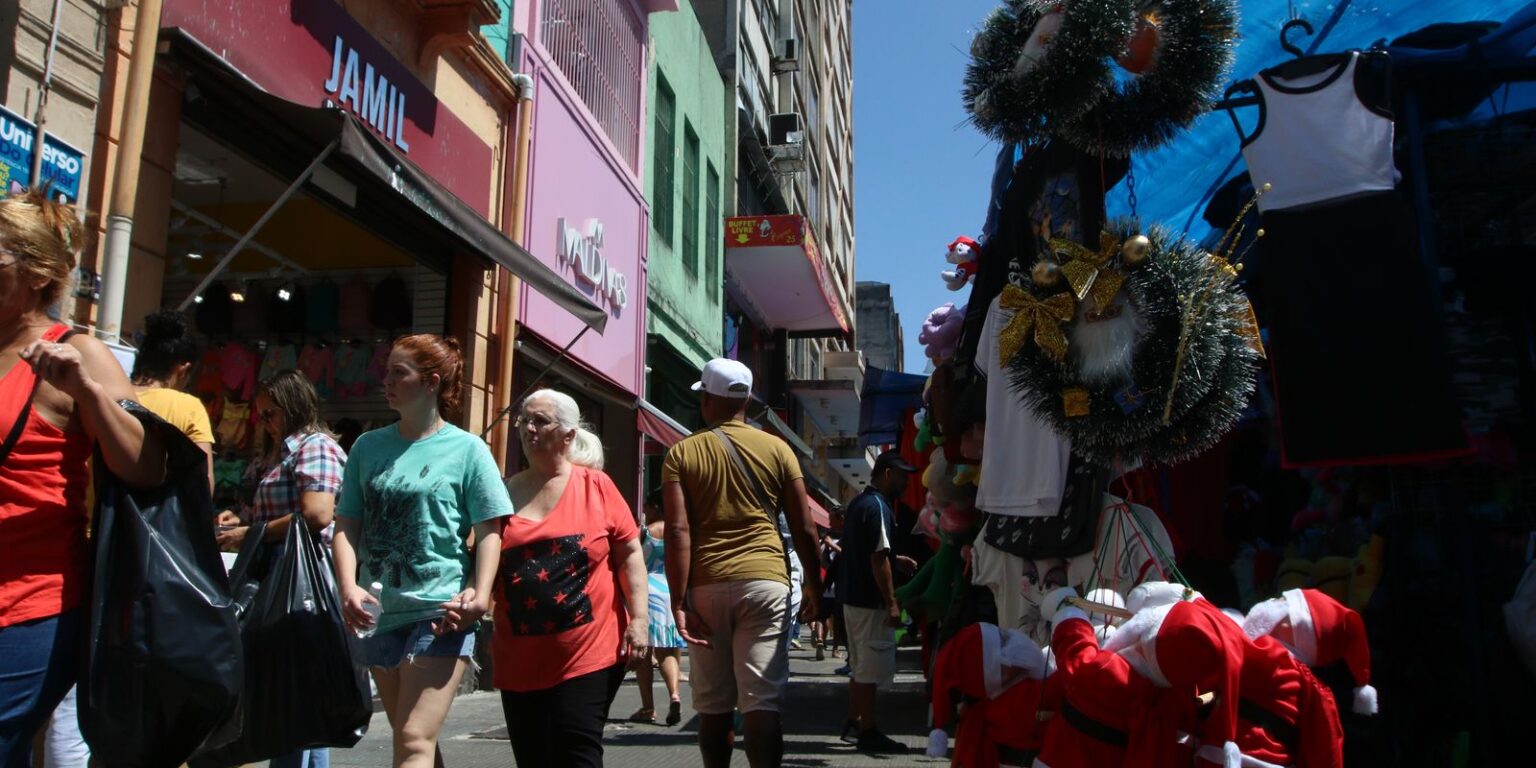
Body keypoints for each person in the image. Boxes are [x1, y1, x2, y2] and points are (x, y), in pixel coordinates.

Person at [0, 191, 167, 768]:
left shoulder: (77, 352)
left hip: (30, 608)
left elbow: (150, 466)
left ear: (36, 273)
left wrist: (89, 395)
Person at [332, 335, 512, 768]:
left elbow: (490, 530)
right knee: (414, 741)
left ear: (431, 382)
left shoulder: (468, 450)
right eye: (387, 370)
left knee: (413, 738)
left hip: (440, 611)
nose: (386, 380)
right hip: (376, 613)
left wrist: (481, 593)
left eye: (399, 372)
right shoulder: (367, 447)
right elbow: (346, 524)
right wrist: (347, 588)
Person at [661, 358, 823, 768]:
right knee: (761, 703)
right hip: (766, 583)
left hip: (706, 586)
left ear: (709, 400)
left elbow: (678, 532)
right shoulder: (779, 449)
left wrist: (678, 602)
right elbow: (804, 527)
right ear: (747, 400)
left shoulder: (681, 453)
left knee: (714, 707)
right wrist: (814, 587)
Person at [493, 388, 649, 766]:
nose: (528, 428)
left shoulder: (596, 486)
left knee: (576, 753)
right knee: (533, 760)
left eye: (540, 420)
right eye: (523, 420)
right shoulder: (501, 492)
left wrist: (640, 619)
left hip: (587, 655)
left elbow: (630, 554)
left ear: (568, 435)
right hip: (518, 660)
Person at [215, 369, 344, 768]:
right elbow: (268, 513)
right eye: (261, 415)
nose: (264, 422)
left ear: (293, 407)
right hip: (273, 576)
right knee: (293, 695)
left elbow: (317, 515)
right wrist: (236, 520)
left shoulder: (314, 447)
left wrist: (248, 535)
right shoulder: (278, 454)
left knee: (290, 692)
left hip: (302, 579)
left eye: (270, 414)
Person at [838, 450, 917, 753]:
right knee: (870, 669)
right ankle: (867, 728)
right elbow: (876, 556)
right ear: (887, 474)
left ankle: (855, 720)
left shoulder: (860, 503)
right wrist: (892, 601)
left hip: (853, 599)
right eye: (902, 475)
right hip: (869, 603)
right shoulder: (877, 506)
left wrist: (894, 561)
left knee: (860, 666)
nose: (906, 482)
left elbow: (868, 551)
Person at [131, 309, 215, 491]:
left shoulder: (112, 395)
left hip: (103, 515)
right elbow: (204, 482)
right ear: (183, 369)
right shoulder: (189, 407)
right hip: (156, 518)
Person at [629, 489, 686, 726]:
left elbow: (632, 561)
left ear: (654, 506)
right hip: (671, 592)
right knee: (668, 650)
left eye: (647, 506)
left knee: (645, 654)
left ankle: (648, 707)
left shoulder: (646, 532)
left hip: (648, 592)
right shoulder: (678, 532)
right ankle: (674, 694)